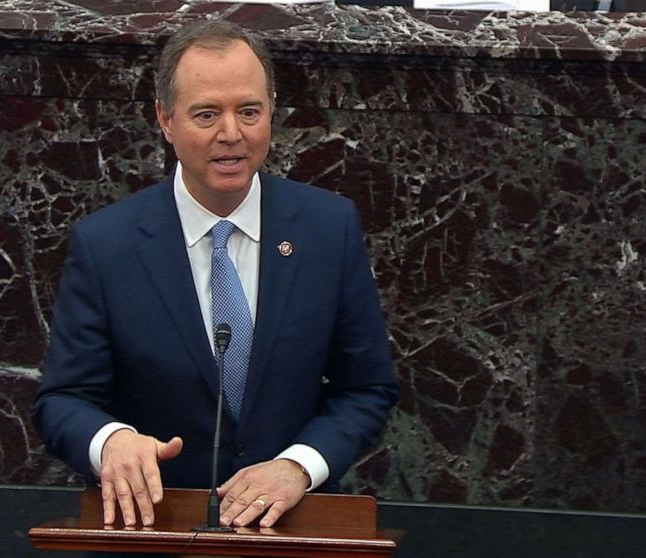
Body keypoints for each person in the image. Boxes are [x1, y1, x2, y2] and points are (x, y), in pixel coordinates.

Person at [31, 19, 398, 533]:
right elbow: (63, 399)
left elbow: (366, 389)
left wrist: (298, 466)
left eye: (249, 111)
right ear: (165, 119)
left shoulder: (327, 228)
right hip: (155, 531)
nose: (232, 134)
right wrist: (110, 440)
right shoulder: (107, 245)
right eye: (207, 114)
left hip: (293, 531)